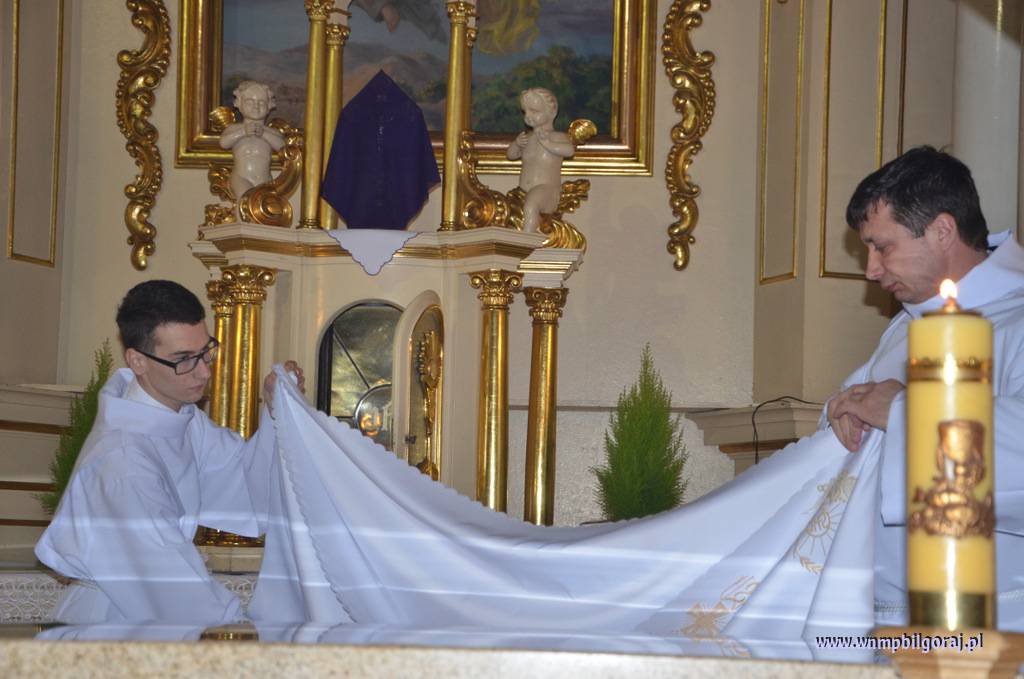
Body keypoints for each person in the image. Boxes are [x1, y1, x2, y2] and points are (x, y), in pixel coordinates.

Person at [825, 145, 1024, 628]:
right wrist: (840, 410)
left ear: (942, 230)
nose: (871, 270)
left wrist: (908, 411)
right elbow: (859, 416)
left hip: (992, 617)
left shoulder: (1017, 321)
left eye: (882, 247)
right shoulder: (905, 326)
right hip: (887, 609)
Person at [35, 280, 304, 624]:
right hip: (112, 622)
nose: (204, 371)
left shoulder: (184, 421)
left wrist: (276, 408)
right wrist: (242, 633)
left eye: (206, 352)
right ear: (137, 361)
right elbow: (168, 582)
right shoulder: (123, 459)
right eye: (183, 359)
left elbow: (247, 480)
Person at [506, 88, 576, 234]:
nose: (528, 116)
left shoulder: (557, 137)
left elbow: (569, 151)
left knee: (531, 205)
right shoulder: (527, 138)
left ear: (552, 112)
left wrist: (547, 143)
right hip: (522, 192)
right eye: (525, 112)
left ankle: (527, 240)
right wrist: (517, 144)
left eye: (534, 111)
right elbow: (511, 155)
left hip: (547, 190)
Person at [219, 81, 285, 203]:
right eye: (250, 102)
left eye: (261, 102)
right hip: (241, 177)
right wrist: (243, 132)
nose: (256, 106)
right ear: (239, 104)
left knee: (265, 205)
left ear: (269, 105)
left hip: (265, 178)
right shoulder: (235, 129)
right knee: (245, 201)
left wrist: (263, 134)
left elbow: (283, 148)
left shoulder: (271, 132)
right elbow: (224, 143)